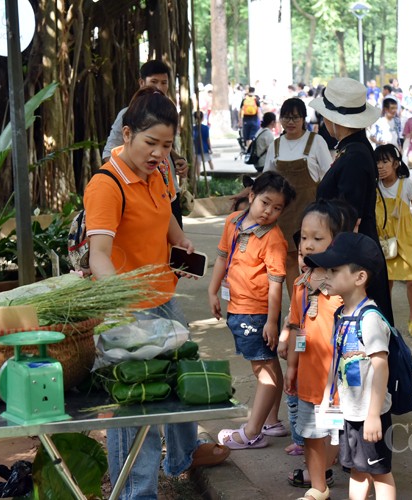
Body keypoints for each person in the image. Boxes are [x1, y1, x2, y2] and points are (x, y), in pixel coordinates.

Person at [86, 87, 229, 499]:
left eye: (166, 145)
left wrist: (180, 241)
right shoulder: (106, 185)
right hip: (126, 311)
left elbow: (165, 210)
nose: (158, 153)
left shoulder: (161, 171)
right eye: (151, 143)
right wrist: (120, 316)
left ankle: (183, 457)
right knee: (135, 411)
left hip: (162, 298)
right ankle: (137, 493)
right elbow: (99, 255)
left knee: (184, 379)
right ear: (127, 134)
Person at [208, 171, 296, 450]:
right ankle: (271, 421)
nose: (269, 211)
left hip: (256, 313)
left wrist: (272, 322)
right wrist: (213, 291)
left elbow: (276, 283)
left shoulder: (273, 239)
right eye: (265, 203)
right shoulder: (233, 221)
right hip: (238, 307)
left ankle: (252, 432)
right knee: (266, 364)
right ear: (251, 196)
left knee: (264, 371)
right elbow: (223, 256)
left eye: (277, 208)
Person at [308, 232, 396, 500]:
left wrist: (372, 415)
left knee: (380, 472)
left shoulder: (369, 318)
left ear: (360, 278)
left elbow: (381, 367)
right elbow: (336, 360)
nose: (327, 275)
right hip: (350, 411)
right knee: (357, 470)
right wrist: (327, 397)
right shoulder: (341, 314)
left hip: (371, 413)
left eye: (334, 270)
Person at [311, 77, 395, 325]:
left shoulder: (355, 155)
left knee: (365, 331)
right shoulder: (352, 149)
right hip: (351, 249)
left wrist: (333, 261)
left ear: (333, 119)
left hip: (353, 253)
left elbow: (349, 216)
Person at [283, 201, 353, 497]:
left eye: (318, 238)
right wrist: (292, 367)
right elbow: (300, 329)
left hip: (337, 384)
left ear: (336, 242)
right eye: (304, 238)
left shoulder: (345, 284)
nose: (308, 245)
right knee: (311, 436)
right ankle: (318, 488)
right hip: (309, 381)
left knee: (334, 433)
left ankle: (328, 470)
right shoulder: (300, 285)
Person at [101, 60, 188, 227]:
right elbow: (108, 154)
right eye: (154, 82)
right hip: (143, 196)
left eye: (164, 83)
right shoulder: (129, 113)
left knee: (175, 248)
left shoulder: (168, 112)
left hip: (169, 193)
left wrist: (177, 159)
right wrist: (132, 185)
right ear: (142, 83)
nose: (159, 87)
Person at [264, 97, 333, 292]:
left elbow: (329, 175)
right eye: (286, 117)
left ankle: (317, 304)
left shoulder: (316, 141)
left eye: (295, 117)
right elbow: (266, 179)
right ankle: (296, 306)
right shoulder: (275, 146)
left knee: (313, 260)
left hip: (311, 212)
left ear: (304, 119)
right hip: (283, 214)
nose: (290, 122)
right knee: (289, 260)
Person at [374, 145, 412, 338]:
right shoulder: (374, 185)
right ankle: (385, 320)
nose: (380, 166)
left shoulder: (406, 184)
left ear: (396, 164)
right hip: (383, 241)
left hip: (405, 240)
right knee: (384, 282)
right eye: (377, 161)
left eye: (385, 161)